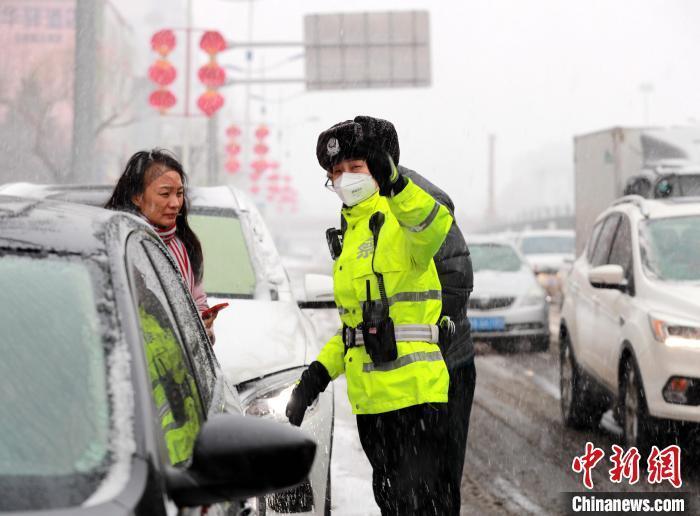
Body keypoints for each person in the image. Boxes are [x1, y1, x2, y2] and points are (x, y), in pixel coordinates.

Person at [286, 116, 456, 515]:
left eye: (356, 168)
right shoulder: (350, 238)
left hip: (416, 400)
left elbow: (435, 225)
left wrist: (396, 185)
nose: (345, 178)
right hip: (371, 407)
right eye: (336, 172)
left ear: (379, 169)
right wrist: (315, 377)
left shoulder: (401, 218)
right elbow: (353, 329)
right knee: (392, 504)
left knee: (419, 507)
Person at [104, 149, 218, 339]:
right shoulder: (121, 246)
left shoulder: (184, 245)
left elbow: (197, 300)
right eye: (165, 194)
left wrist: (203, 325)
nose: (175, 203)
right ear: (137, 197)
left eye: (179, 193)